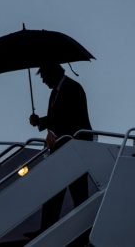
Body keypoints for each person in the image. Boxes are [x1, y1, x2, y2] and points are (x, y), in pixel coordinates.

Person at [28, 63, 93, 237]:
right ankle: (47, 229)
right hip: (63, 148)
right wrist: (40, 122)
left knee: (77, 191)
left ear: (52, 74)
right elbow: (56, 117)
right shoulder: (57, 91)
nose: (43, 81)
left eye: (44, 77)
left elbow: (68, 118)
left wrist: (48, 126)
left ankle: (85, 229)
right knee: (56, 189)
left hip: (74, 147)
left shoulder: (72, 88)